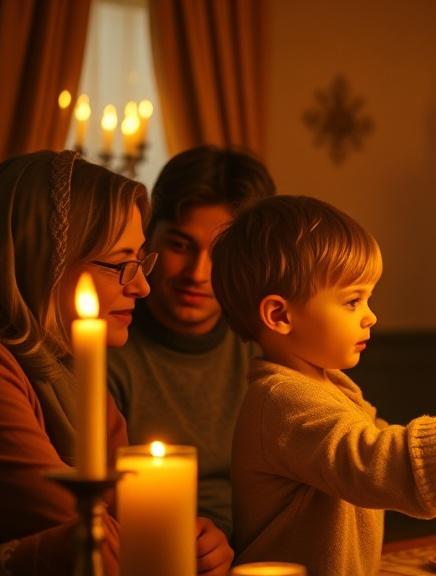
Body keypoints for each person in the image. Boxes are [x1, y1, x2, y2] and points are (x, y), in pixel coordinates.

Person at [211, 195, 436, 575]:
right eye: (352, 301)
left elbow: (379, 444)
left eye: (368, 299)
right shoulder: (283, 399)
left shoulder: (326, 387)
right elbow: (367, 460)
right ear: (279, 315)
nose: (370, 316)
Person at [0, 150, 232, 575]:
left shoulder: (74, 372)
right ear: (43, 261)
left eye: (141, 261)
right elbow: (86, 533)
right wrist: (160, 539)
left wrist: (195, 540)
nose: (141, 287)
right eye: (120, 264)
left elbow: (135, 515)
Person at [107, 145, 274, 537]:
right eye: (180, 245)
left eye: (220, 253)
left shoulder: (268, 346)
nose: (198, 273)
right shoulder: (108, 349)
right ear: (149, 240)